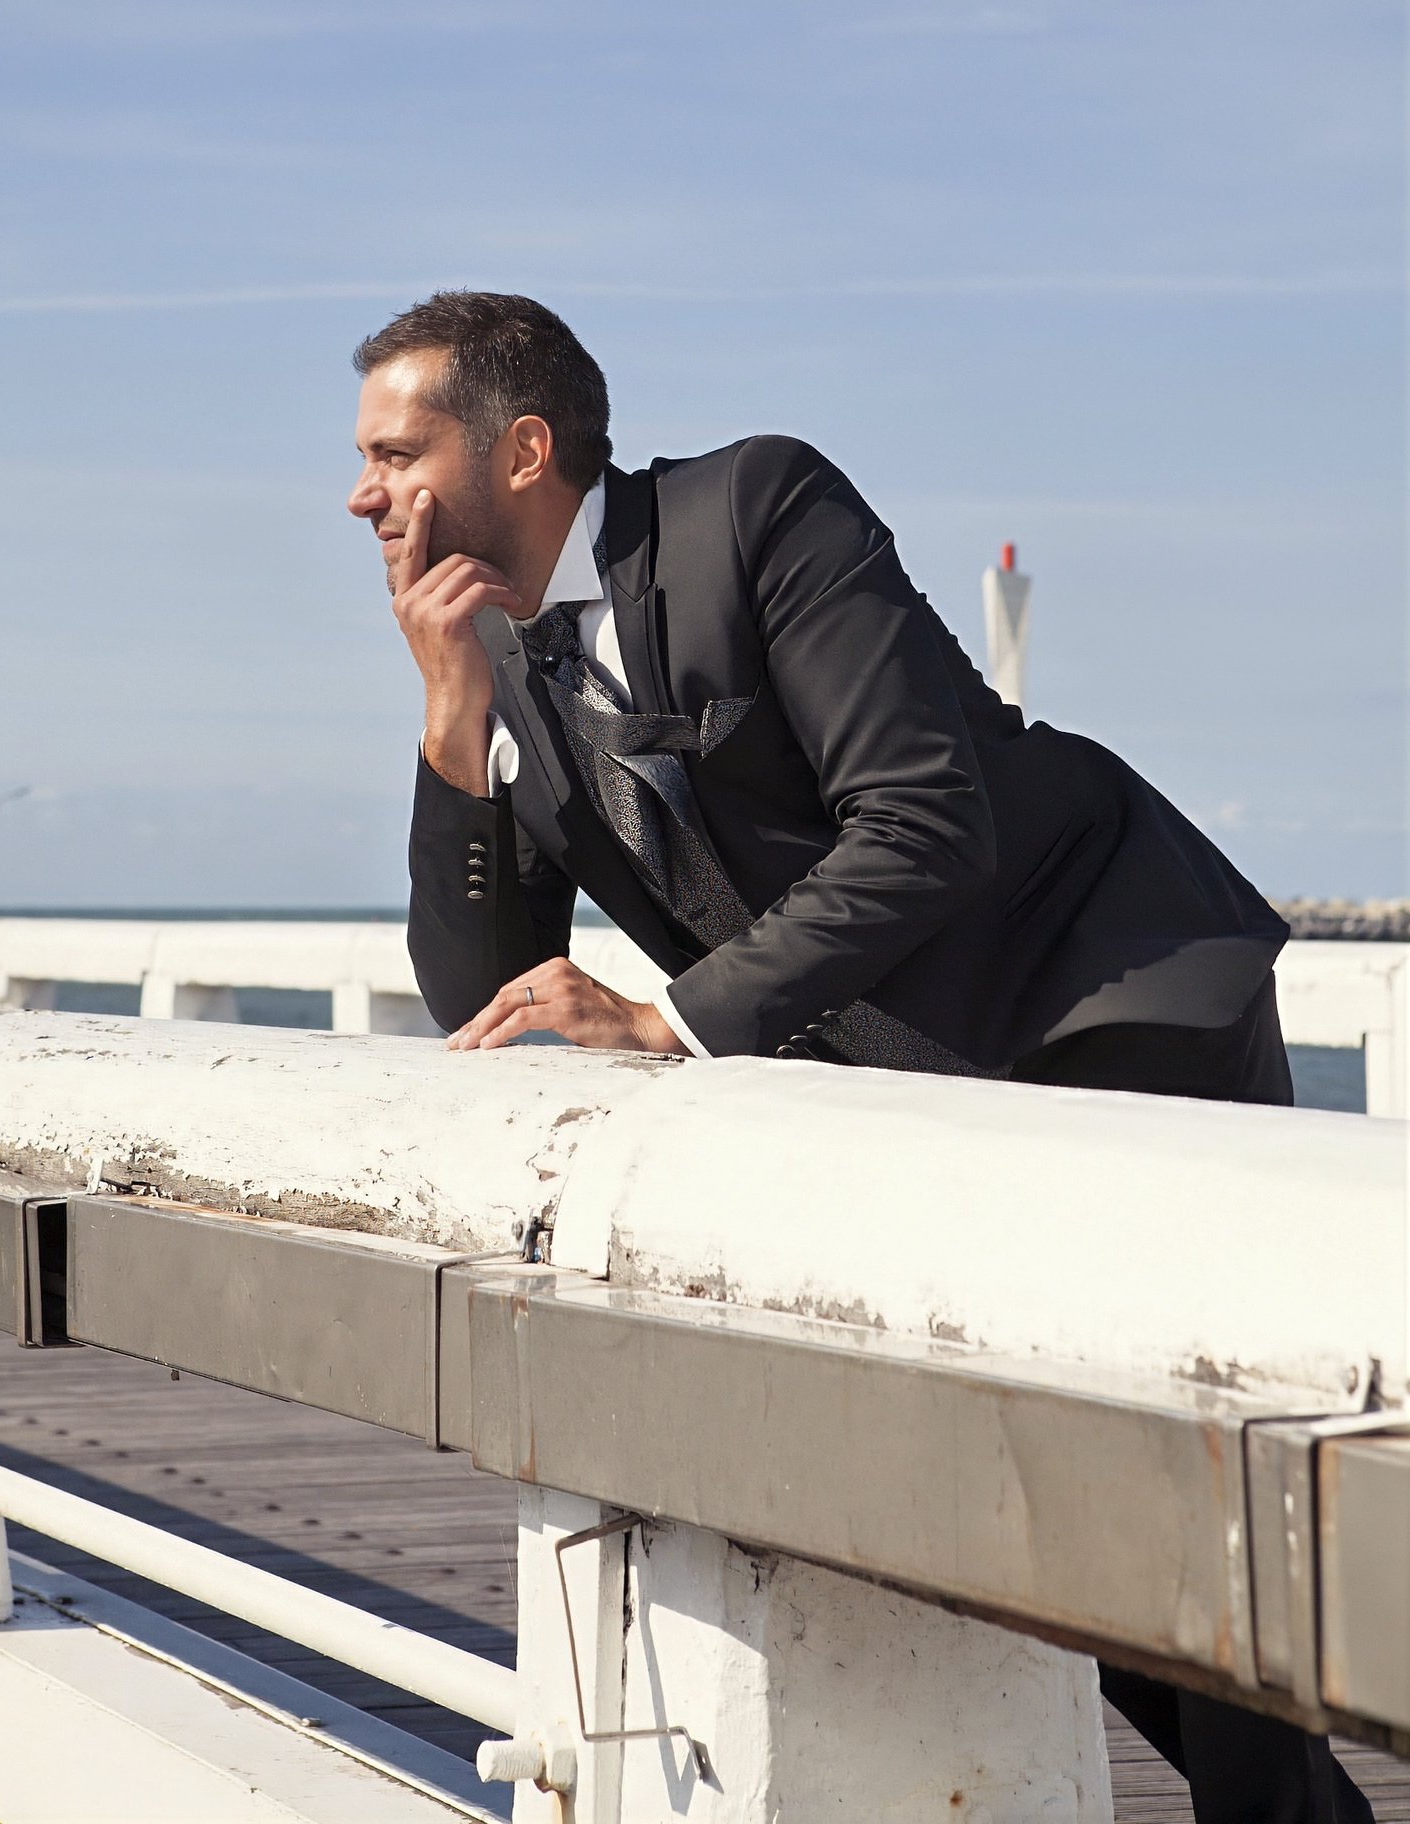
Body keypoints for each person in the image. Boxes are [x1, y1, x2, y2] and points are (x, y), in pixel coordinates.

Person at [348, 287, 1372, 1824]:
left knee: (1172, 1501)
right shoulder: (517, 673)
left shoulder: (755, 507)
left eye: (396, 450)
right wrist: (452, 732)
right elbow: (486, 1000)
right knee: (1053, 1516)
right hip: (912, 1088)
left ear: (527, 446)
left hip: (1105, 1000)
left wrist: (671, 1022)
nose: (364, 493)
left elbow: (925, 823)